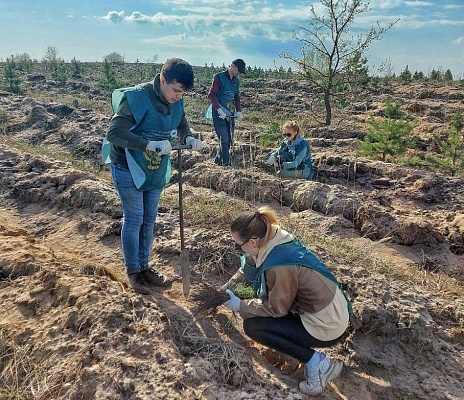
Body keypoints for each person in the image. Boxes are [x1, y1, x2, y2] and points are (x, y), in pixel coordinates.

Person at [222, 206, 350, 396]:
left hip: (327, 324)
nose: (238, 249)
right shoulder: (274, 238)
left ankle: (319, 364)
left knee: (254, 327)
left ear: (252, 241)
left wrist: (239, 305)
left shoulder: (280, 266)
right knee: (258, 314)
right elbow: (248, 267)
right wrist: (223, 291)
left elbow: (276, 309)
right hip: (328, 311)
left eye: (238, 245)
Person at [105, 58, 204, 295]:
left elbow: (181, 123)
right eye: (176, 90)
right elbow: (114, 133)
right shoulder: (136, 99)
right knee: (135, 218)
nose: (179, 96)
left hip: (153, 167)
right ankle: (133, 273)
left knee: (149, 219)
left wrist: (188, 138)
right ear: (162, 80)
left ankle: (145, 267)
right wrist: (147, 144)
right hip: (128, 166)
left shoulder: (177, 101)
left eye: (183, 93)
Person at [207, 59, 246, 166]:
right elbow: (211, 95)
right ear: (233, 66)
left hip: (230, 115)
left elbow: (236, 97)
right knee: (224, 139)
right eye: (238, 71)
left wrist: (238, 111)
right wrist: (219, 109)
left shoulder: (236, 81)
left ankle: (216, 162)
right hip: (219, 113)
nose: (239, 74)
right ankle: (226, 165)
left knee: (228, 141)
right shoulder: (219, 77)